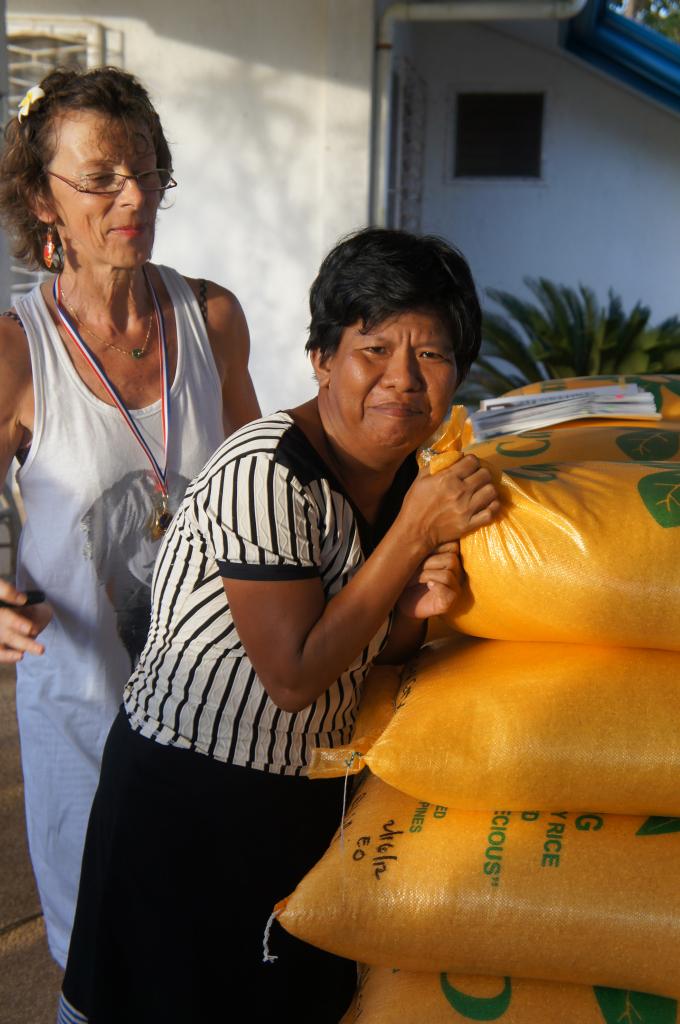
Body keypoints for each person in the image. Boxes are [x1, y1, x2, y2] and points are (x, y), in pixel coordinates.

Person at [60, 227, 499, 1024]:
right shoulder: (268, 471)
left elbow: (358, 655)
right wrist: (410, 541)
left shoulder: (407, 479)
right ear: (322, 357)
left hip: (299, 807)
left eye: (431, 356)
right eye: (374, 349)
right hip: (185, 810)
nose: (401, 380)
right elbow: (293, 675)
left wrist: (406, 617)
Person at [0, 67, 260, 968]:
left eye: (148, 169)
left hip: (221, 712)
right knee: (105, 963)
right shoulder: (15, 352)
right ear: (42, 196)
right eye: (103, 175)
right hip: (81, 720)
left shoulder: (212, 319)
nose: (136, 195)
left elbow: (264, 493)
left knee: (214, 950)